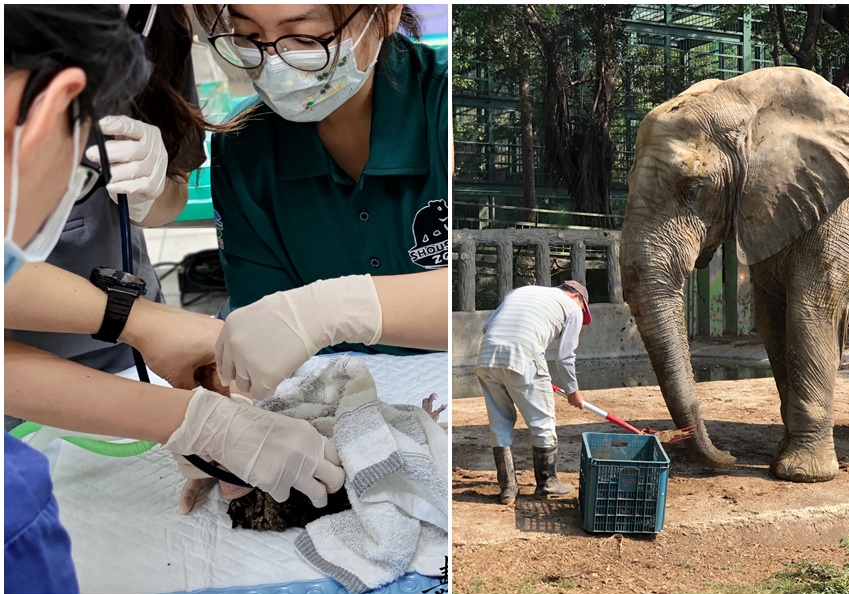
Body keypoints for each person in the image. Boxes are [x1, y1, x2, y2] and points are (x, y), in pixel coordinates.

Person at [4, 6, 344, 593]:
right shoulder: (20, 507)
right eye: (78, 173)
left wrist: (152, 347)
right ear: (44, 113)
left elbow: (166, 194)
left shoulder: (159, 26)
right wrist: (189, 418)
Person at [194, 4, 449, 400]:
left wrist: (332, 310)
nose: (274, 64)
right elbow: (265, 331)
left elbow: (480, 300)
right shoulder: (245, 148)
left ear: (386, 13)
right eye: (247, 37)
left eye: (306, 37)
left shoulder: (445, 104)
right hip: (333, 395)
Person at [5, 5, 207, 378]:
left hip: (126, 353)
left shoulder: (158, 23)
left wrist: (152, 193)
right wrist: (136, 319)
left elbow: (175, 191)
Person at [476, 281, 592, 504]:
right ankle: (547, 482)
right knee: (543, 423)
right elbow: (565, 356)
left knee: (499, 423)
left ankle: (508, 489)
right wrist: (573, 390)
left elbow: (487, 326)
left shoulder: (522, 291)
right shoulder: (573, 308)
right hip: (525, 355)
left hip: (488, 355)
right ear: (579, 299)